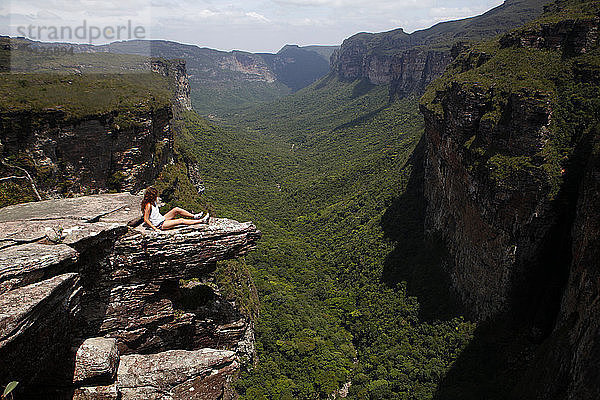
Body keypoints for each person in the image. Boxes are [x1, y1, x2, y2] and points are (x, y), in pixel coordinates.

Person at [141, 186, 210, 231]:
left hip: (161, 219)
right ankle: (202, 221)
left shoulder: (153, 202)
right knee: (181, 220)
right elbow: (146, 219)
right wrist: (155, 228)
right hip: (159, 224)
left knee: (176, 209)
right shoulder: (148, 205)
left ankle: (195, 216)